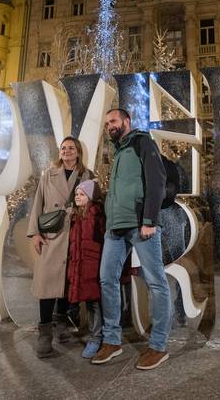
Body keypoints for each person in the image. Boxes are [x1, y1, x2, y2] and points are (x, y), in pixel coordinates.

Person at [91, 108, 171, 370]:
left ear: (126, 121)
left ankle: (158, 346)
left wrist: (149, 220)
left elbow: (157, 181)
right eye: (106, 123)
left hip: (140, 225)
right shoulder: (118, 151)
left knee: (157, 283)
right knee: (107, 279)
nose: (109, 126)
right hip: (115, 227)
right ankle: (112, 341)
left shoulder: (141, 142)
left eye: (113, 121)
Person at [26, 136, 94, 358]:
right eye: (63, 148)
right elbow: (38, 203)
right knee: (47, 283)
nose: (66, 151)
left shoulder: (87, 175)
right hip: (52, 235)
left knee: (67, 280)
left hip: (75, 233)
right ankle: (45, 332)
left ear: (78, 152)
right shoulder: (49, 175)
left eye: (71, 148)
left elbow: (94, 204)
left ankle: (62, 323)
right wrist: (35, 232)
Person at [67, 179, 106, 358]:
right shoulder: (76, 216)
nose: (77, 197)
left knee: (95, 303)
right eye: (76, 194)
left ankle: (96, 337)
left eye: (82, 194)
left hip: (94, 266)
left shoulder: (96, 214)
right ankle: (95, 335)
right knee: (90, 303)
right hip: (82, 266)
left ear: (90, 196)